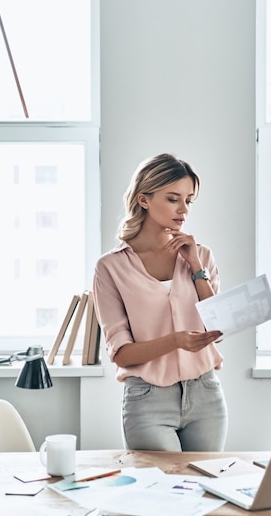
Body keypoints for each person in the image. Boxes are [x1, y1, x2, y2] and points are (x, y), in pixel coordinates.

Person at [93, 153, 228, 452]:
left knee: (206, 491)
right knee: (162, 493)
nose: (184, 210)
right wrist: (176, 341)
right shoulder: (110, 267)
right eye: (172, 199)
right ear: (143, 199)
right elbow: (122, 354)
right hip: (148, 400)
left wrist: (195, 267)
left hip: (205, 393)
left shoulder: (201, 256)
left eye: (189, 200)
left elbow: (218, 324)